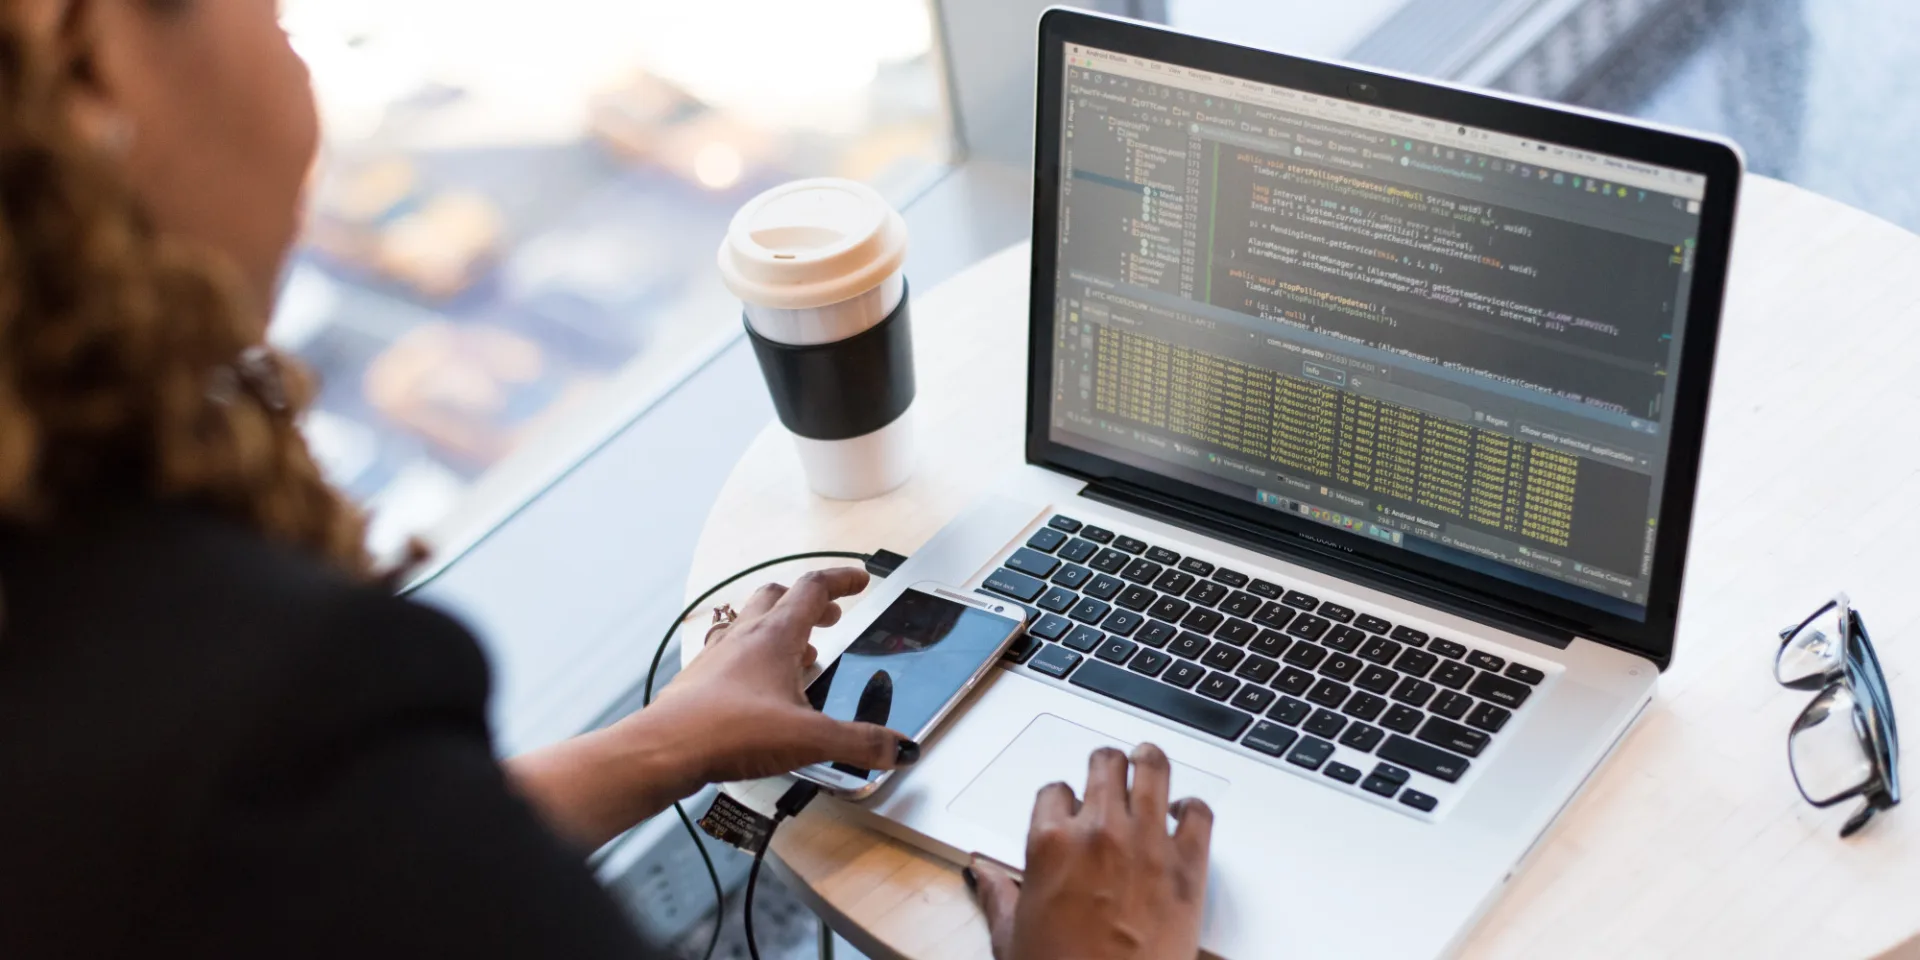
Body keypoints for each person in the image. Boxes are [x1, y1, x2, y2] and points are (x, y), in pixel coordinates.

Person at [0, 1, 1215, 957]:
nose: (296, 53)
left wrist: (659, 744)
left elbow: (309, 885)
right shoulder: (261, 700)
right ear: (94, 71)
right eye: (268, 15)